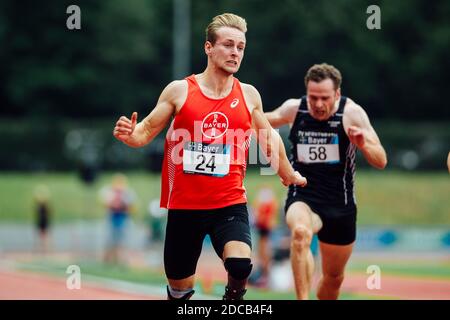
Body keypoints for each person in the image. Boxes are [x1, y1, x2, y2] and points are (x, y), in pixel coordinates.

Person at [113, 13, 307, 300]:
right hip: (185, 208)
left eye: (240, 47)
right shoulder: (180, 91)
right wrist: (131, 135)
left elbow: (269, 138)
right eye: (228, 45)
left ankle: (232, 301)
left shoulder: (248, 95)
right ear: (208, 48)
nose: (235, 52)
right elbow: (146, 131)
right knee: (179, 292)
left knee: (240, 265)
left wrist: (287, 173)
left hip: (229, 203)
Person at [265, 63, 387, 299]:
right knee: (300, 233)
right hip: (303, 195)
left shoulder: (351, 113)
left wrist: (363, 144)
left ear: (337, 94)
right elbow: (261, 121)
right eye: (313, 97)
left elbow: (381, 160)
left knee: (333, 279)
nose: (318, 104)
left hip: (340, 205)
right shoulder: (295, 109)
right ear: (306, 93)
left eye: (324, 98)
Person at [99, 173, 137, 264]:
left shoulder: (128, 194)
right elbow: (108, 205)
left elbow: (130, 208)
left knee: (123, 241)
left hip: (123, 219)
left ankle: (121, 260)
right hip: (112, 219)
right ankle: (108, 260)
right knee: (109, 241)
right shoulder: (109, 193)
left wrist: (121, 205)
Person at [248, 185, 278, 287]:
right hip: (263, 228)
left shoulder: (266, 201)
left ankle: (265, 276)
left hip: (265, 228)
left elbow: (265, 216)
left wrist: (259, 218)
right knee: (262, 252)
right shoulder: (266, 199)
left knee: (264, 252)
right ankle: (264, 275)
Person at [33, 184, 52, 253]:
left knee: (46, 236)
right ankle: (41, 249)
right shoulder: (38, 206)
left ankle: (46, 249)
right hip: (41, 222)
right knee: (40, 236)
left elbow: (49, 210)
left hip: (45, 221)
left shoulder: (45, 206)